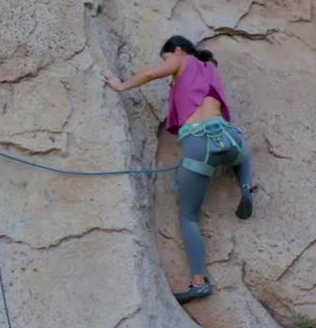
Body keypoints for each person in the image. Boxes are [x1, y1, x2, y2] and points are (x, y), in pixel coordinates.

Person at [102, 36, 255, 303]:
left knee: (188, 218)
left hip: (198, 144)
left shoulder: (182, 61)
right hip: (228, 136)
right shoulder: (210, 68)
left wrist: (120, 85)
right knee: (243, 154)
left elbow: (151, 74)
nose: (167, 63)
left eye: (166, 57)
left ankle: (199, 282)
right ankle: (245, 185)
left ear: (179, 50)